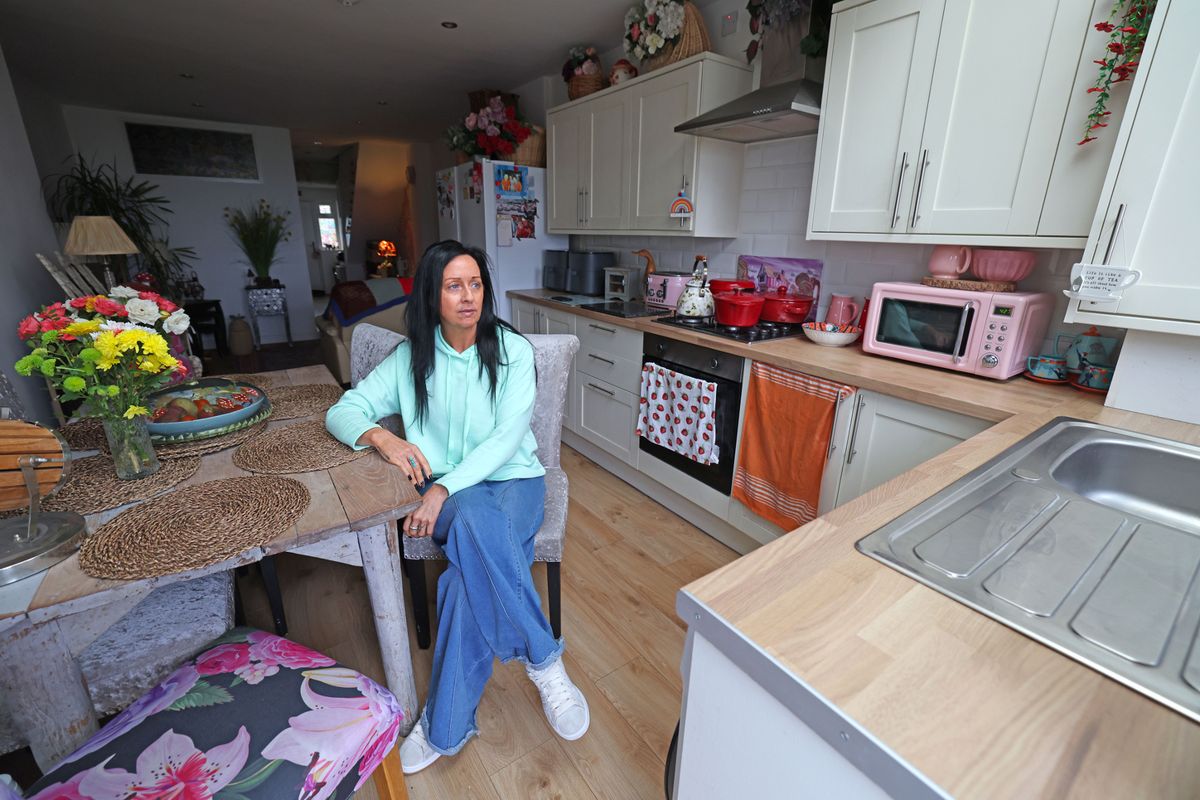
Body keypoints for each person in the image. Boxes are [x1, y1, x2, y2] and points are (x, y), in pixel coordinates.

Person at [326, 239, 589, 774]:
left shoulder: (513, 351)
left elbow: (506, 441)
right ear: (432, 295)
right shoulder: (409, 360)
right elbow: (343, 410)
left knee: (462, 578)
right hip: (449, 493)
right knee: (472, 524)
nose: (468, 297)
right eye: (454, 286)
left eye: (475, 284)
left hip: (514, 480)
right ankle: (545, 659)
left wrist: (442, 489)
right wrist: (384, 438)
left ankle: (443, 724)